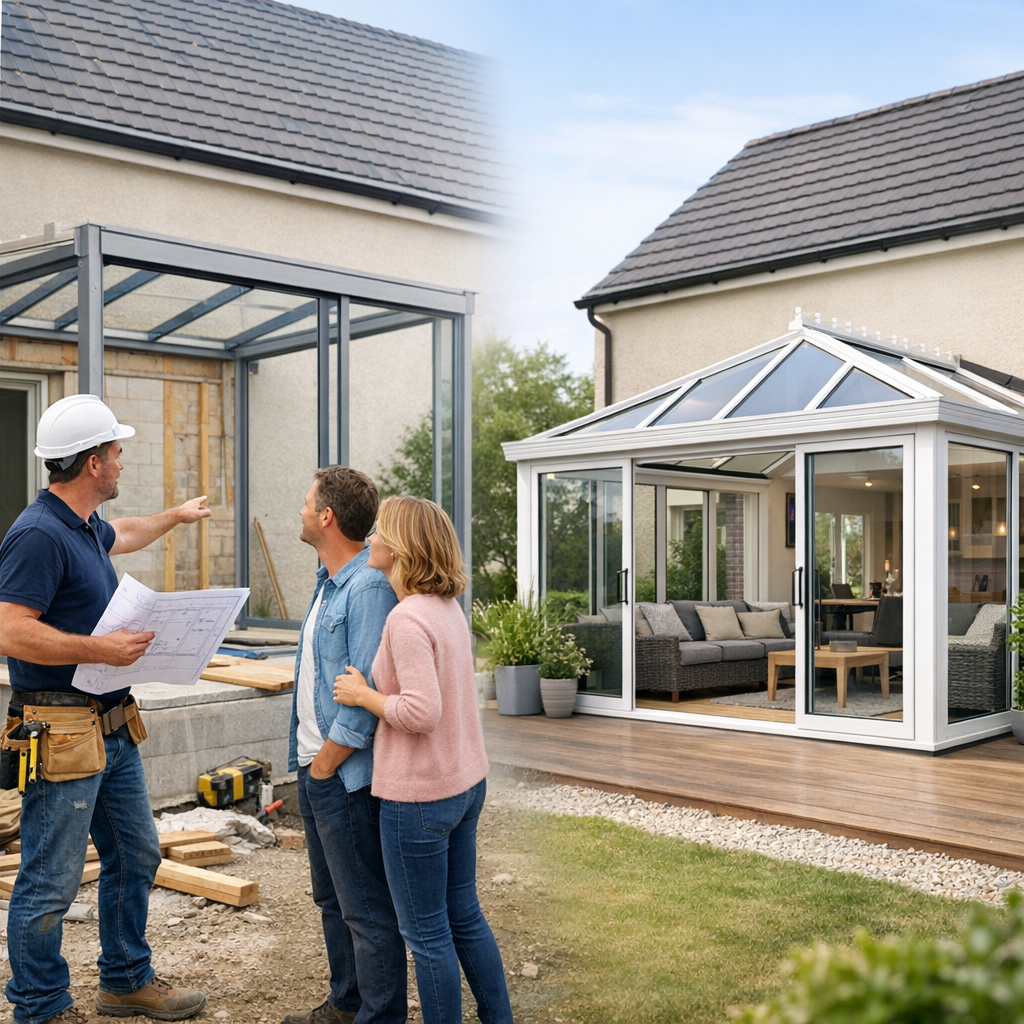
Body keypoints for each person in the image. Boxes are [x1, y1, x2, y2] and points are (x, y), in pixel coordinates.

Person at [0, 394, 210, 1024]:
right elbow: (8, 629)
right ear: (93, 463)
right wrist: (100, 649)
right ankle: (39, 1006)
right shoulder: (37, 535)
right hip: (61, 731)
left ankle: (123, 982)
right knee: (50, 879)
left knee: (136, 854)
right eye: (117, 452)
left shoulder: (86, 527)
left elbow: (131, 532)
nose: (122, 461)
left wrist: (174, 516)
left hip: (111, 727)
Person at [333, 496, 513, 1024]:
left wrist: (364, 696)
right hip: (464, 785)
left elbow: (421, 710)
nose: (369, 540)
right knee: (464, 915)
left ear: (401, 546)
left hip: (420, 797)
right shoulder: (447, 608)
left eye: (379, 532)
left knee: (427, 935)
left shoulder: (406, 619)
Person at [283, 467, 405, 1024]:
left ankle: (379, 1016)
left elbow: (367, 692)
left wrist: (328, 766)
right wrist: (313, 766)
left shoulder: (368, 588)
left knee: (366, 909)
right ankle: (345, 1004)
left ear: (327, 516)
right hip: (315, 766)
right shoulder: (327, 580)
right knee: (332, 900)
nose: (302, 510)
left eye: (307, 502)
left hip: (343, 775)